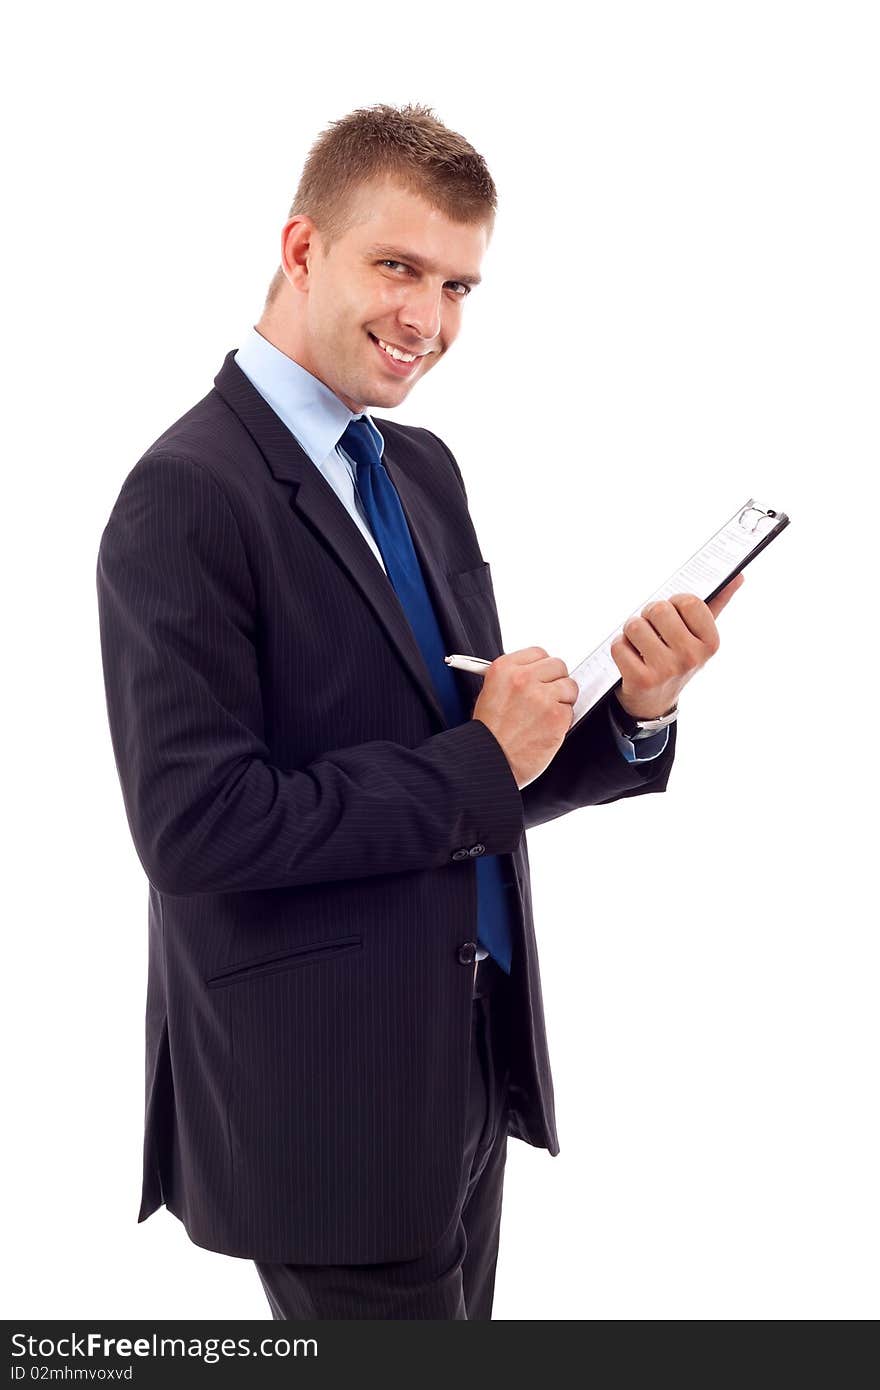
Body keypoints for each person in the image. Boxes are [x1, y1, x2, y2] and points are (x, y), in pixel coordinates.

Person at [95, 102, 742, 1320]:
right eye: (398, 267)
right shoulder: (185, 494)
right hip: (322, 1096)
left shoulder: (420, 469)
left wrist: (631, 716)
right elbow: (195, 828)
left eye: (457, 287)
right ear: (301, 251)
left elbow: (472, 768)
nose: (428, 322)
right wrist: (482, 754)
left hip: (463, 1053)